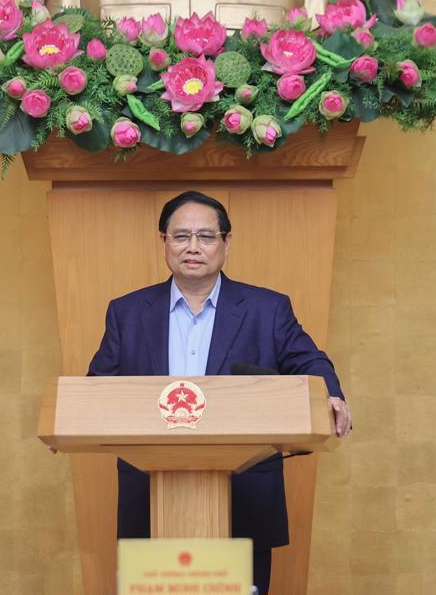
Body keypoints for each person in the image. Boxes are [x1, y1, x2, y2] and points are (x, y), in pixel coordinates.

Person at [87, 190, 352, 595]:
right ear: (164, 242)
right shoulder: (127, 312)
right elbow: (98, 387)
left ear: (227, 243)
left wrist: (331, 395)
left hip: (244, 497)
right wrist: (70, 420)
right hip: (150, 500)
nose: (193, 247)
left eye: (206, 236)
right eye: (181, 236)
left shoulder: (268, 309)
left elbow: (310, 361)